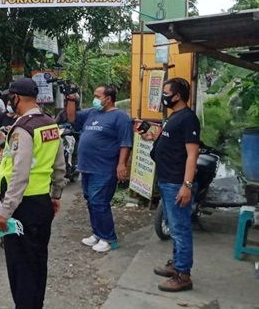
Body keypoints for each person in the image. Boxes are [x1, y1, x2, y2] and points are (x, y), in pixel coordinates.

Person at [0, 78, 66, 309]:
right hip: (41, 204)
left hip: (22, 207)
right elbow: (59, 165)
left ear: (17, 97)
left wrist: (5, 211)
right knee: (37, 263)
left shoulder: (23, 129)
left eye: (10, 96)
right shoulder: (49, 125)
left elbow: (19, 173)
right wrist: (55, 195)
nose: (8, 101)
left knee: (20, 266)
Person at [138, 77, 200, 292]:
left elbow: (192, 154)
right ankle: (176, 265)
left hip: (176, 182)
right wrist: (149, 137)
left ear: (177, 96)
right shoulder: (174, 117)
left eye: (166, 93)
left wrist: (187, 185)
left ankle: (183, 275)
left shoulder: (188, 119)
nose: (163, 96)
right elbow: (168, 143)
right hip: (166, 180)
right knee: (174, 228)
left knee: (180, 229)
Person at [66, 85, 132, 253]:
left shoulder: (120, 117)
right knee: (91, 201)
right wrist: (71, 98)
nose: (95, 99)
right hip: (87, 167)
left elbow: (125, 143)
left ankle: (109, 238)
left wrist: (122, 164)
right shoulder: (92, 113)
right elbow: (72, 118)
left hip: (104, 168)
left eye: (97, 95)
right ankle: (97, 233)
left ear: (108, 98)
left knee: (99, 202)